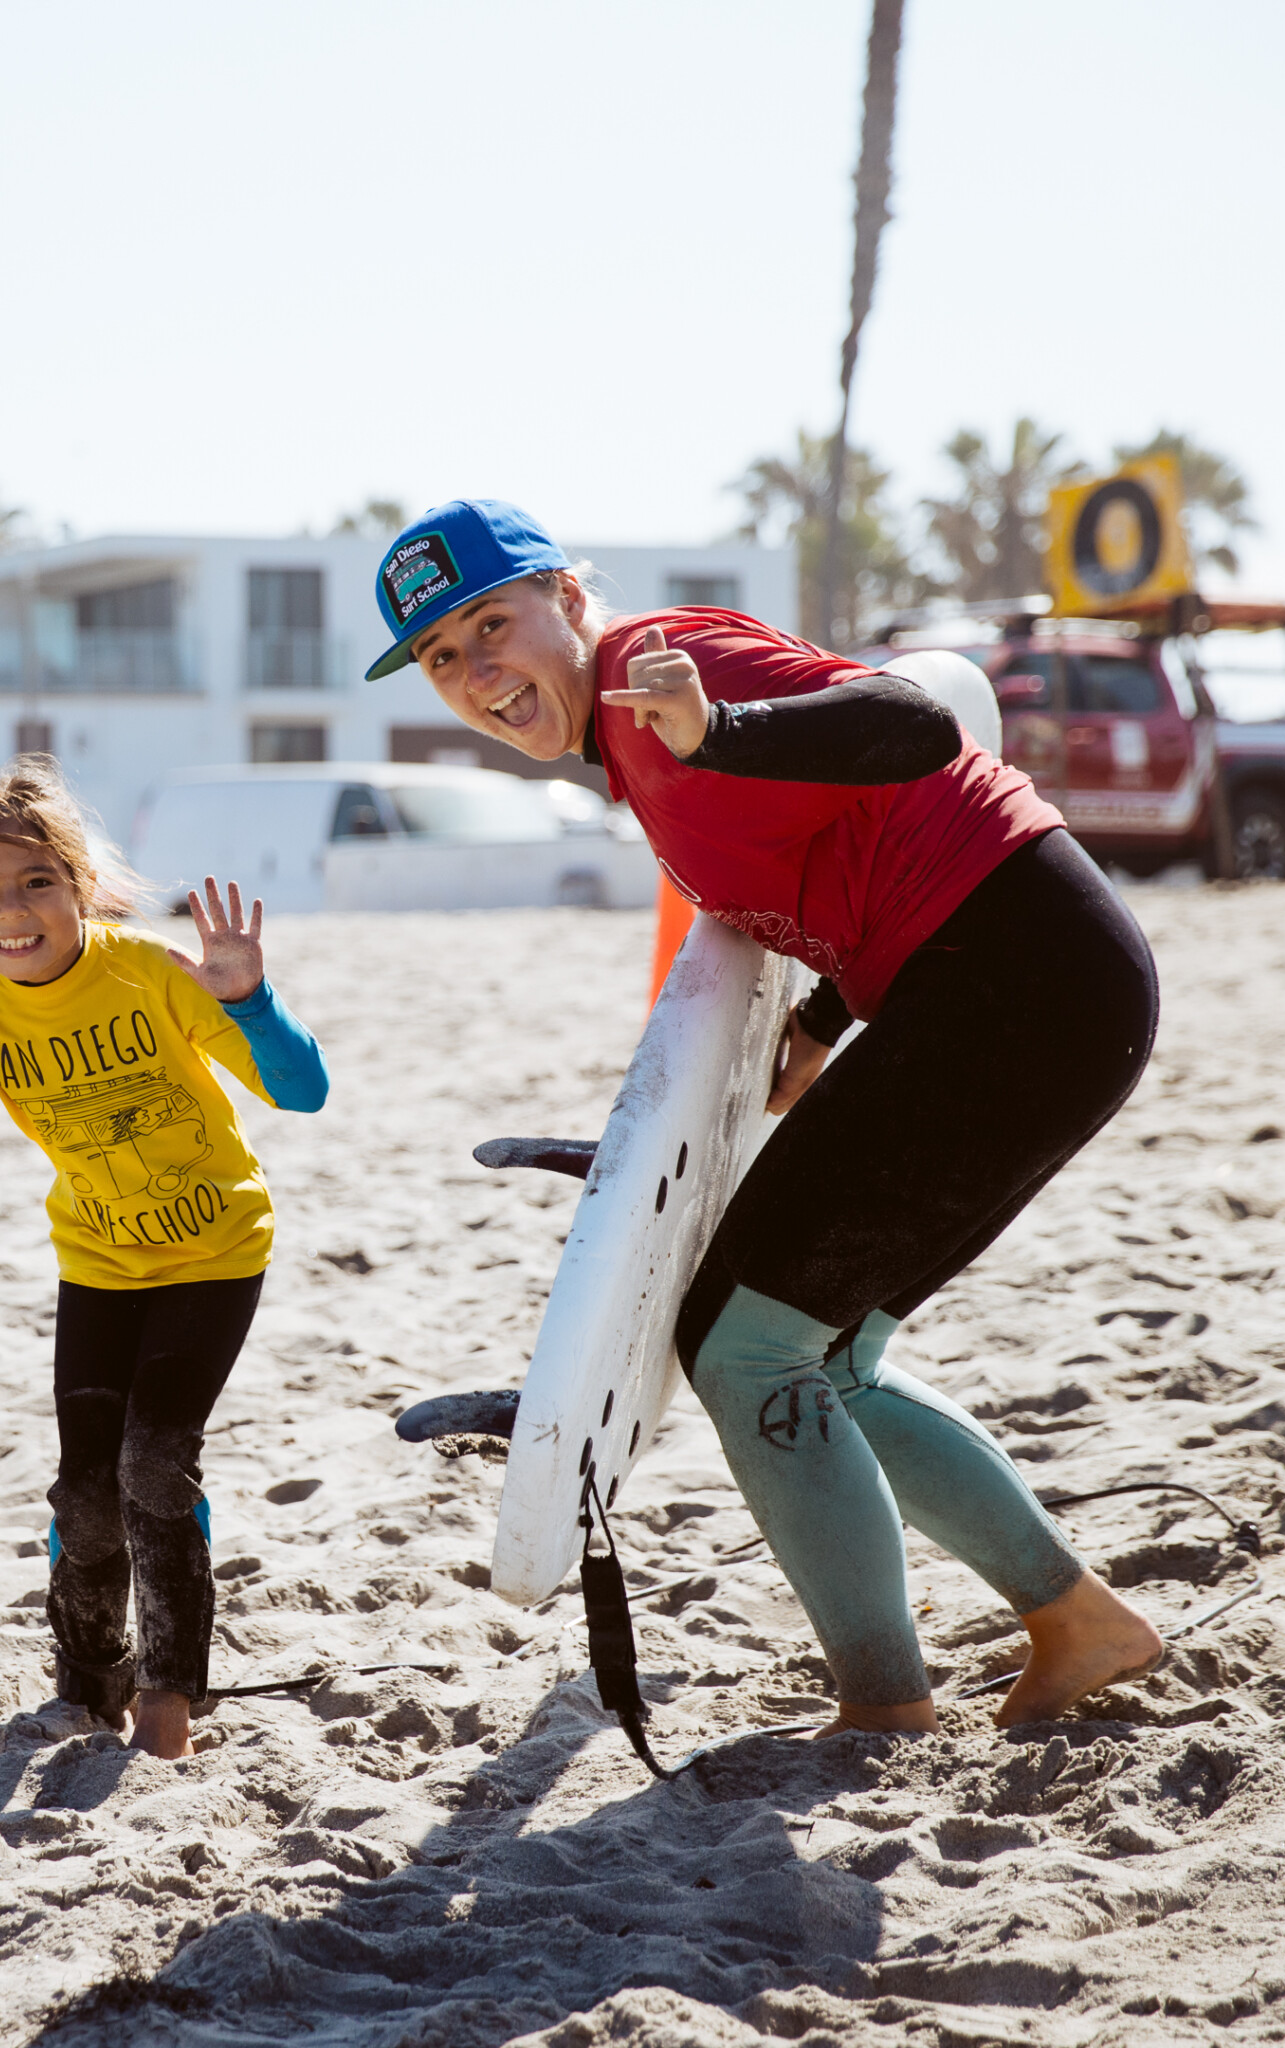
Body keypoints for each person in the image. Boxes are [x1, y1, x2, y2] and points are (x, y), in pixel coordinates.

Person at [367, 499, 1164, 1737]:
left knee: (745, 1344)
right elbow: (854, 832)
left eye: (491, 625)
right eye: (440, 658)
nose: (478, 673)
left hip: (1016, 981)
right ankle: (1077, 1624)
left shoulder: (652, 673)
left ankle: (885, 1703)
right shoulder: (634, 742)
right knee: (812, 1346)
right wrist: (824, 1013)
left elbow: (914, 723)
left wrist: (716, 724)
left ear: (567, 602)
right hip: (1012, 988)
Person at [0, 760, 329, 1759]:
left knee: (154, 1462)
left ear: (80, 886)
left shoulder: (146, 971)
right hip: (99, 1265)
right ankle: (87, 1681)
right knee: (85, 1492)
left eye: (35, 883)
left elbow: (301, 1089)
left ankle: (169, 1694)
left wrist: (248, 999)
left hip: (214, 1250)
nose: (11, 912)